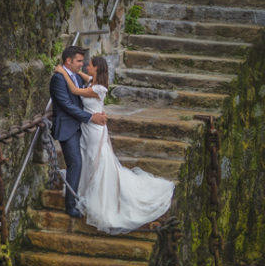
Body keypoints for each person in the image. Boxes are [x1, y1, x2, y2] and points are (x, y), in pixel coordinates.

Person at [53, 56, 175, 234]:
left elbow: (74, 90)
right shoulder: (91, 82)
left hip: (94, 129)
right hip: (87, 127)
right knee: (87, 156)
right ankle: (85, 187)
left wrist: (62, 71)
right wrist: (71, 69)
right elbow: (80, 76)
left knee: (96, 157)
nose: (87, 66)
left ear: (97, 68)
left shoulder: (98, 88)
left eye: (90, 65)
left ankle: (99, 193)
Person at [49, 46, 109, 218]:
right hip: (69, 127)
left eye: (84, 62)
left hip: (82, 127)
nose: (82, 65)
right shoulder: (59, 79)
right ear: (69, 61)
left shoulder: (75, 76)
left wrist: (96, 115)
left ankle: (79, 197)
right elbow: (66, 105)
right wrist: (91, 118)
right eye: (79, 61)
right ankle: (71, 205)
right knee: (75, 163)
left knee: (84, 162)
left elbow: (79, 96)